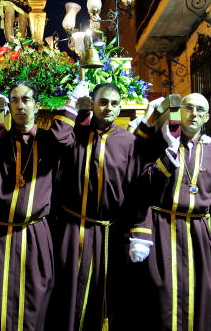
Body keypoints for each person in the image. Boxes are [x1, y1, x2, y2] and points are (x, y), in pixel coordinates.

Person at [129, 93, 211, 331]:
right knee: (162, 295)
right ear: (180, 111)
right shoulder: (160, 143)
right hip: (162, 231)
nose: (194, 114)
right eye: (189, 108)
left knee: (201, 294)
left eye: (201, 110)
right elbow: (141, 188)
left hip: (199, 235)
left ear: (207, 117)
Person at [0, 82, 63, 331]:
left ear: (37, 105)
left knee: (35, 297)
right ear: (9, 106)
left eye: (27, 99)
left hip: (34, 235)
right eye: (15, 100)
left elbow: (67, 137)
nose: (20, 105)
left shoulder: (49, 141)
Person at [47, 82, 143, 331]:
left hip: (111, 231)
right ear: (92, 104)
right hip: (73, 228)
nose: (108, 108)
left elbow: (136, 191)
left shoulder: (129, 142)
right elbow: (56, 139)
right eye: (102, 102)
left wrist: (137, 233)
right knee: (70, 292)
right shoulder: (75, 134)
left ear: (120, 107)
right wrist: (70, 105)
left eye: (113, 103)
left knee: (108, 292)